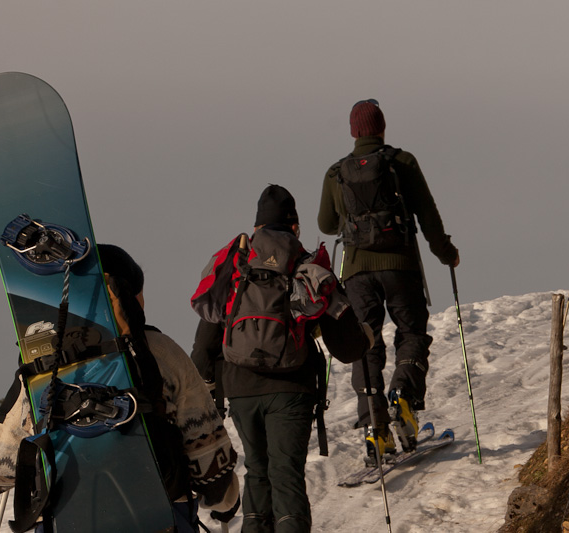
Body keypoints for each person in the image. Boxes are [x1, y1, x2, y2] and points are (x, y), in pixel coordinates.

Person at [0, 244, 240, 532]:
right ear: (128, 296)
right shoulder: (161, 353)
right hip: (160, 518)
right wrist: (225, 502)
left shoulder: (43, 369)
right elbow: (211, 465)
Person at [190, 185, 368, 533]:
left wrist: (207, 384)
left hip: (240, 387)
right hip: (290, 387)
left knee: (257, 470)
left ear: (256, 226)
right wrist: (364, 338)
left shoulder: (238, 266)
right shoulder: (303, 264)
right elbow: (347, 347)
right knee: (285, 474)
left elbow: (207, 338)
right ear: (295, 227)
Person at [317, 99, 460, 461]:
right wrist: (446, 253)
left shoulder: (336, 173)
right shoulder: (402, 162)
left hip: (357, 272)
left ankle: (374, 427)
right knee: (411, 333)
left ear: (353, 132)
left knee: (366, 343)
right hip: (401, 266)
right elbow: (428, 214)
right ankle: (404, 396)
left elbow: (325, 224)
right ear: (382, 127)